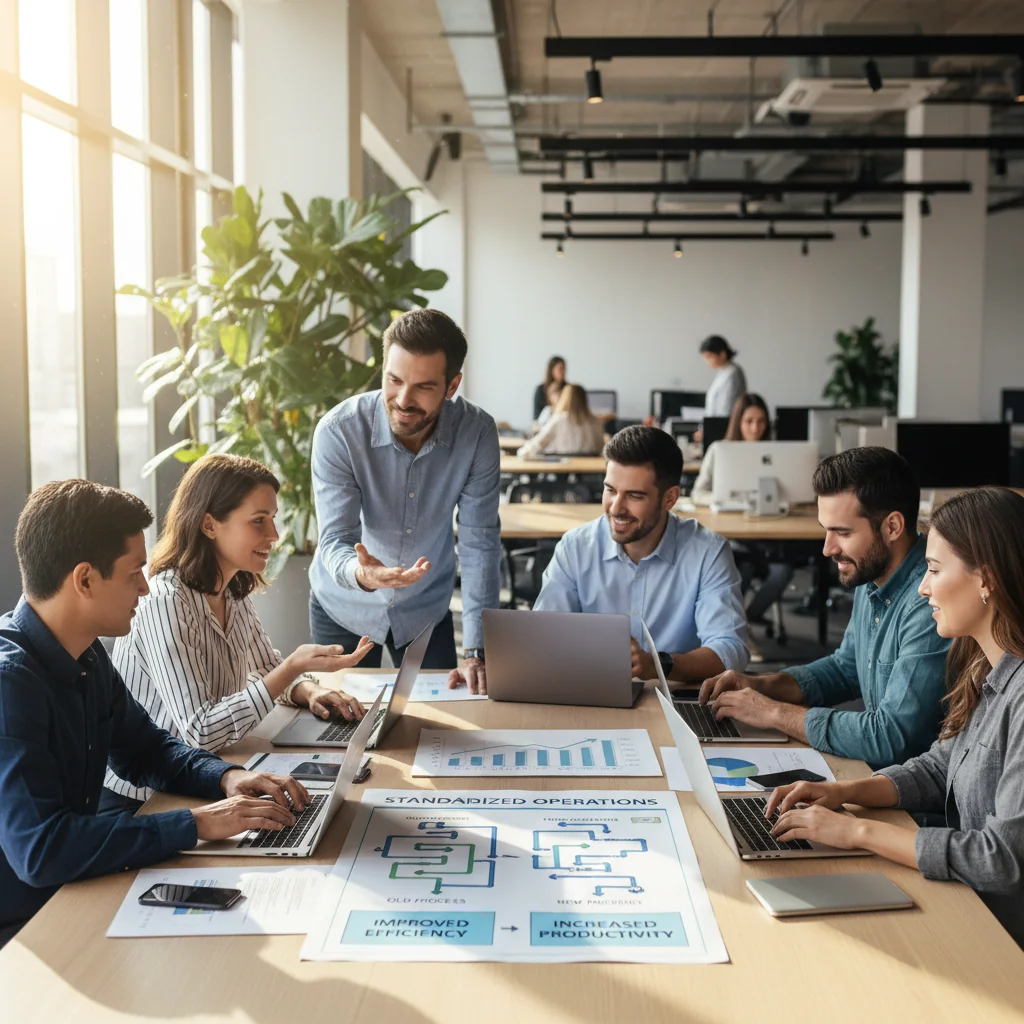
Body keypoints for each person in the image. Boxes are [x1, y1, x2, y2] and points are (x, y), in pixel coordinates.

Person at [0, 480, 315, 948]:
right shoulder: (11, 683)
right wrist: (198, 824)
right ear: (84, 579)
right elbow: (42, 851)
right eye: (133, 573)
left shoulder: (85, 654)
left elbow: (145, 749)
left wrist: (226, 779)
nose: (145, 589)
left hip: (76, 889)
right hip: (29, 923)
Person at [766, 486, 1024, 949]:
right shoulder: (987, 664)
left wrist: (857, 830)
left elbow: (1000, 859)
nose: (923, 587)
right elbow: (944, 763)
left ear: (986, 580)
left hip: (998, 932)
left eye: (934, 569)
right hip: (965, 898)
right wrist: (844, 791)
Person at [103, 454, 374, 812]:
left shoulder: (231, 587)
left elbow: (265, 667)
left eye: (273, 519)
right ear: (210, 525)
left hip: (209, 777)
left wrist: (309, 691)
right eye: (258, 521)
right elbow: (200, 733)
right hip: (147, 798)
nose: (274, 535)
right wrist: (291, 668)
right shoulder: (165, 600)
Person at [699, 446, 951, 769]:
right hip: (874, 776)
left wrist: (774, 713)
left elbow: (890, 737)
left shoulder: (928, 603)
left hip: (907, 797)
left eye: (842, 533)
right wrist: (763, 685)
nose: (827, 548)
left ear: (892, 527)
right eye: (826, 530)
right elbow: (845, 669)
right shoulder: (871, 571)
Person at [309, 307, 501, 694]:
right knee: (333, 730)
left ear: (452, 386)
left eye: (423, 387)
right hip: (345, 604)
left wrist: (477, 649)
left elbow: (479, 543)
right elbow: (334, 539)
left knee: (437, 731)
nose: (402, 399)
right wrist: (361, 574)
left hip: (425, 610)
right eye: (394, 380)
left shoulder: (477, 433)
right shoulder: (339, 432)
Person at [533, 425, 749, 685]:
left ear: (670, 499)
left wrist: (659, 664)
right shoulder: (575, 547)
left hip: (675, 700)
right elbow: (543, 639)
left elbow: (730, 650)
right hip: (591, 694)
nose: (616, 508)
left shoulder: (708, 552)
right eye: (610, 490)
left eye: (634, 496)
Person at [692, 394, 795, 659]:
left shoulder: (778, 454)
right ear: (738, 422)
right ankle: (740, 632)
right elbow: (697, 493)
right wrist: (723, 499)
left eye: (761, 421)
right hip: (736, 538)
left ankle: (745, 621)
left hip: (770, 536)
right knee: (741, 569)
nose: (755, 428)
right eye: (749, 421)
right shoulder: (720, 449)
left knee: (783, 571)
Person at [518, 383, 605, 458]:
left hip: (562, 470)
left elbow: (539, 442)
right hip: (589, 471)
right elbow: (600, 447)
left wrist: (522, 452)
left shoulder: (559, 419)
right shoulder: (595, 421)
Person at [700, 335, 747, 418]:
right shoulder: (723, 372)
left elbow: (726, 408)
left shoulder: (732, 374)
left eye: (709, 357)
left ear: (722, 354)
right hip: (714, 423)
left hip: (723, 424)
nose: (707, 361)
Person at [533, 355, 566, 421]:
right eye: (560, 369)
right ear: (551, 370)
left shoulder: (568, 388)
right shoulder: (540, 390)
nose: (563, 372)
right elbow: (536, 417)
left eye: (564, 369)